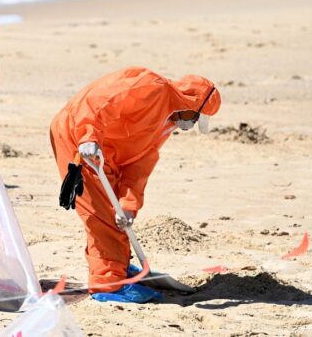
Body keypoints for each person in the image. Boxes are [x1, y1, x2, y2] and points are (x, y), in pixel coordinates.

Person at [50, 67, 221, 303]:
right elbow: (101, 102)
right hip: (78, 139)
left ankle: (118, 265)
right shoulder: (152, 87)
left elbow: (139, 164)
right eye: (195, 118)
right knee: (101, 217)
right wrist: (88, 136)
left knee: (117, 216)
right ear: (190, 105)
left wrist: (129, 205)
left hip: (108, 153)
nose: (191, 125)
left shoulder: (167, 123)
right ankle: (108, 283)